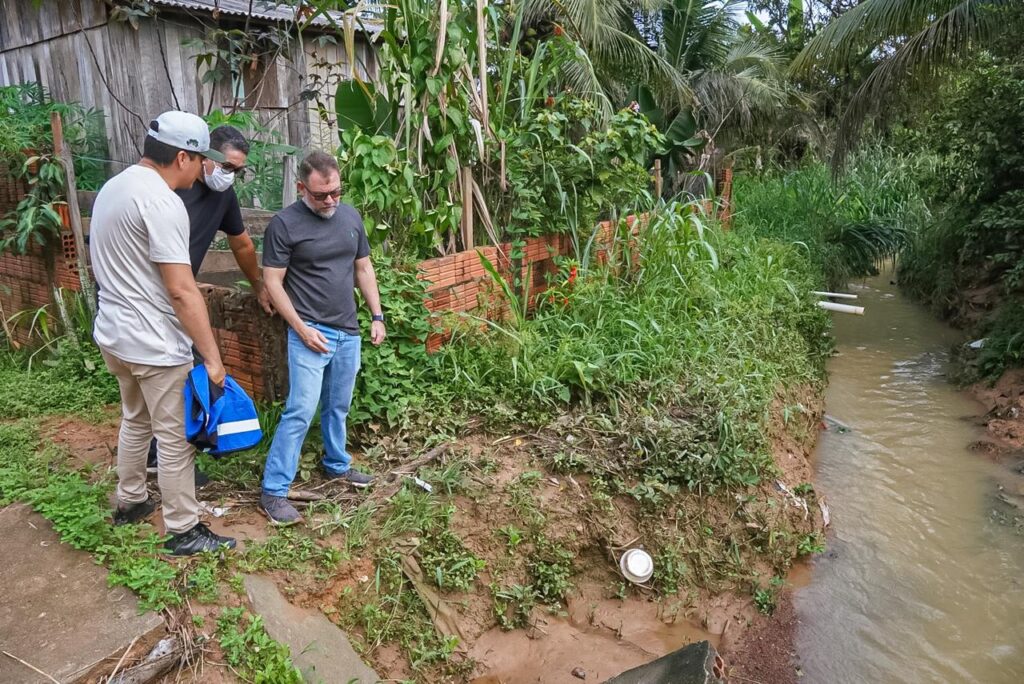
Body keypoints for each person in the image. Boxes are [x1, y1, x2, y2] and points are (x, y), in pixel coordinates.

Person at [90, 111, 237, 555]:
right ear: (181, 156)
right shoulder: (162, 202)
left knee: (136, 419)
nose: (203, 170)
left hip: (113, 333)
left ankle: (131, 500)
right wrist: (212, 359)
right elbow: (181, 290)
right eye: (199, 160)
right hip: (153, 343)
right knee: (175, 439)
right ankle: (184, 530)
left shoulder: (114, 187)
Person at [258, 151, 386, 526]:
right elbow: (272, 283)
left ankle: (336, 465)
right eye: (320, 195)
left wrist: (376, 315)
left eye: (336, 192)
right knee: (300, 409)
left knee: (338, 405)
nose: (330, 200)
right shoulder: (284, 225)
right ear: (301, 188)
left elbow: (363, 268)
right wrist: (301, 328)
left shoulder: (349, 216)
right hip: (309, 331)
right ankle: (274, 490)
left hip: (348, 330)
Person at [145, 125, 273, 481]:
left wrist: (258, 285)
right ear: (203, 157)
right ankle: (167, 459)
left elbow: (243, 245)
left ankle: (159, 455)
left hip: (178, 296)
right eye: (227, 167)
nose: (231, 176)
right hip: (154, 297)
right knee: (170, 376)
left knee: (179, 375)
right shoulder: (168, 192)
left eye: (238, 171)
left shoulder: (222, 196)